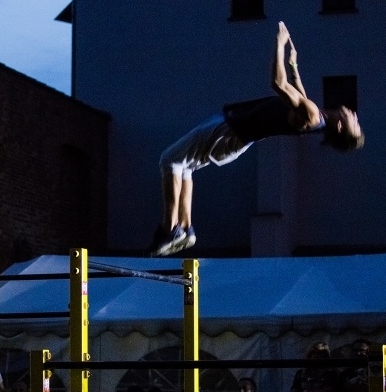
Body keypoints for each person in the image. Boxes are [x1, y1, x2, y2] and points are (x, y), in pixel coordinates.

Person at [149, 21, 364, 256]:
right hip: (235, 135)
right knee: (186, 166)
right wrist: (294, 65)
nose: (354, 114)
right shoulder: (316, 116)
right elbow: (300, 93)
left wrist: (279, 44)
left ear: (340, 126)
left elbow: (278, 84)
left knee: (169, 159)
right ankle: (186, 228)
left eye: (354, 120)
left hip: (229, 131)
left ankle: (170, 228)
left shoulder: (312, 116)